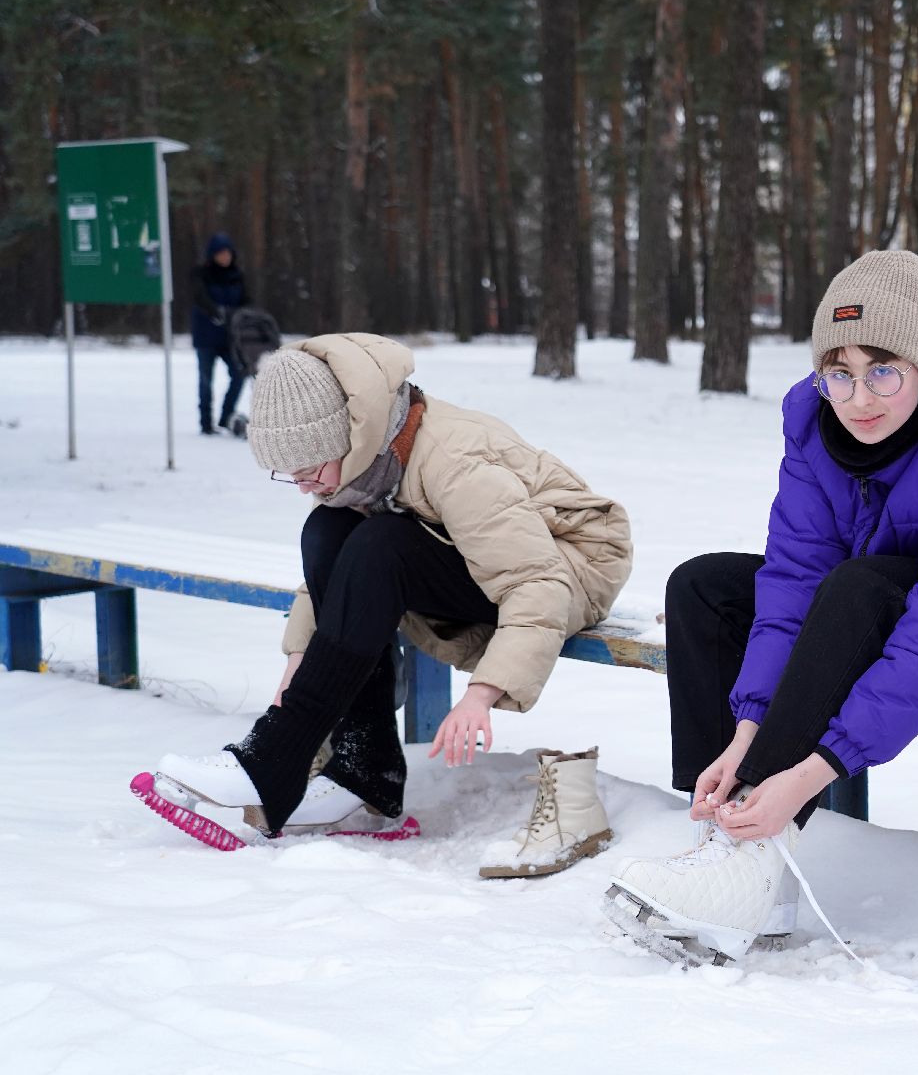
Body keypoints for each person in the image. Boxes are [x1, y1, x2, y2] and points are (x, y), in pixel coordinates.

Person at [604, 250, 918, 965]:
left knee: (864, 587)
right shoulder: (812, 426)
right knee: (706, 589)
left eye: (883, 369)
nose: (858, 397)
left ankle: (754, 851)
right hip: (898, 593)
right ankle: (738, 852)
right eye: (839, 372)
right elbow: (792, 584)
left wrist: (811, 770)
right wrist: (747, 732)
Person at [139, 333, 633, 877]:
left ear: (349, 438)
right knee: (328, 528)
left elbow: (534, 582)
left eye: (310, 467)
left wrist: (482, 694)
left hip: (569, 566)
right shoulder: (371, 459)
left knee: (381, 545)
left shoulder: (453, 460)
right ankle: (364, 766)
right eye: (290, 473)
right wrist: (298, 661)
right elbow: (334, 574)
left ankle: (273, 759)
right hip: (477, 559)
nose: (304, 484)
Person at [189, 232, 249, 435]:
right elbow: (200, 298)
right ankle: (205, 422)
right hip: (205, 336)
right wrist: (216, 312)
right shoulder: (201, 274)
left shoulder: (237, 276)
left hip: (230, 338)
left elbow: (246, 302)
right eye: (221, 253)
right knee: (206, 380)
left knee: (239, 374)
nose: (225, 257)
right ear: (213, 255)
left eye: (228, 253)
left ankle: (226, 416)